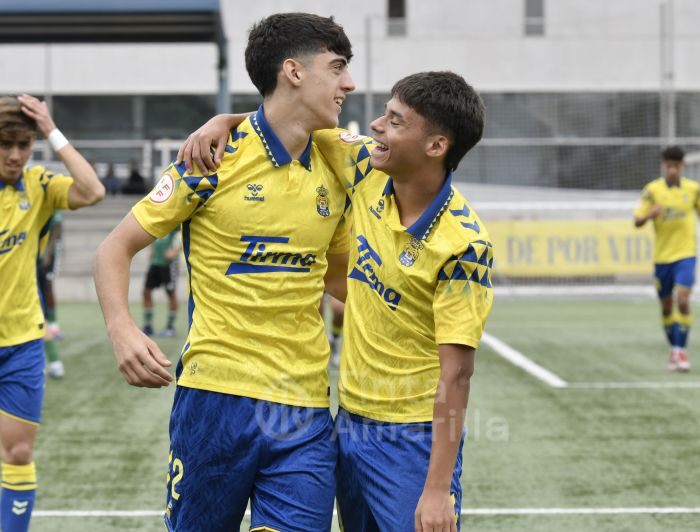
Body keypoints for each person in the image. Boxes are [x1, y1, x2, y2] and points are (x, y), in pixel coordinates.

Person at [181, 71, 493, 532]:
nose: (376, 126)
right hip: (347, 427)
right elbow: (291, 115)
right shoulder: (367, 167)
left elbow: (458, 372)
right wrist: (225, 120)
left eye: (395, 120)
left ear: (436, 146)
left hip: (411, 437)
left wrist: (436, 488)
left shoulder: (464, 245)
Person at [93, 13, 355, 531]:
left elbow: (341, 280)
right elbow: (114, 248)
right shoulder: (211, 159)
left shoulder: (336, 163)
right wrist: (122, 330)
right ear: (294, 72)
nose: (349, 83)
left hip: (303, 410)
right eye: (338, 67)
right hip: (215, 400)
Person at [0, 94, 104, 532]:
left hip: (21, 343)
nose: (15, 155)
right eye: (6, 145)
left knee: (19, 454)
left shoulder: (37, 185)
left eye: (24, 145)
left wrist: (50, 130)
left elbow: (92, 190)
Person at [634, 145, 700, 372]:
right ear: (663, 165)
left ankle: (681, 351)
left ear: (683, 166)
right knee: (667, 307)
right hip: (662, 258)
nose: (673, 170)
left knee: (683, 299)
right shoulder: (652, 191)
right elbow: (636, 222)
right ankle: (675, 349)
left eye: (676, 166)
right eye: (669, 166)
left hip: (686, 254)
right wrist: (650, 214)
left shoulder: (693, 189)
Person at [37, 210, 66, 378]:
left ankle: (54, 363)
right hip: (32, 260)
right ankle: (54, 363)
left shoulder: (46, 194)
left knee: (38, 314)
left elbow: (57, 227)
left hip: (39, 259)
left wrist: (48, 252)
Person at [142, 228, 181, 337]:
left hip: (169, 264)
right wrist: (151, 250)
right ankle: (148, 326)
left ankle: (170, 327)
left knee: (170, 293)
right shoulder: (157, 219)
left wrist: (175, 251)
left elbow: (186, 233)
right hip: (155, 262)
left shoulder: (175, 221)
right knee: (146, 292)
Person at [320, 293, 345, 366]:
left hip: (333, 282)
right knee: (316, 310)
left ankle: (334, 338)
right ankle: (320, 344)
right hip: (315, 282)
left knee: (339, 310)